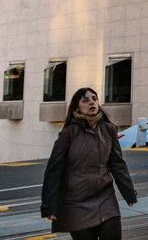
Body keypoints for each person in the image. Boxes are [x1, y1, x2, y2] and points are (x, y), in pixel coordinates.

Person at [41, 87, 137, 239]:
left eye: (94, 98)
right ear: (77, 106)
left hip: (105, 198)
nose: (92, 102)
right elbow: (53, 171)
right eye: (85, 100)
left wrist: (129, 193)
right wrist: (49, 206)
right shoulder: (68, 134)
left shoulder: (109, 130)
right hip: (75, 202)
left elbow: (118, 165)